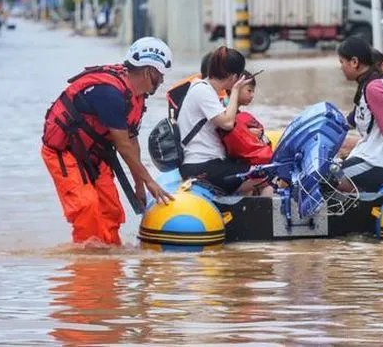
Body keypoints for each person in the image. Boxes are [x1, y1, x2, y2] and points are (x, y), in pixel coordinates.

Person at [41, 37, 175, 245]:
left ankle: (110, 267)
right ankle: (88, 269)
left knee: (110, 209)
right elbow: (122, 146)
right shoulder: (110, 94)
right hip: (64, 152)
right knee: (87, 207)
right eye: (160, 75)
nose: (162, 81)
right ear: (149, 71)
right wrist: (150, 181)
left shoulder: (136, 96)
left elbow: (132, 141)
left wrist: (139, 185)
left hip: (95, 153)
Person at [177, 45, 263, 195]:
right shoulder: (202, 90)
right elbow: (228, 123)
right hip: (201, 165)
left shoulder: (207, 90)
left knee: (255, 169)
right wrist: (235, 90)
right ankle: (241, 208)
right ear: (235, 77)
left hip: (211, 163)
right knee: (264, 174)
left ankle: (232, 201)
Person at [336, 37, 383, 193]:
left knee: (326, 178)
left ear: (354, 62)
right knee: (333, 166)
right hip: (377, 158)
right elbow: (350, 121)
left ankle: (364, 204)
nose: (341, 68)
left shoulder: (374, 88)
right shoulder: (367, 85)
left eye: (342, 62)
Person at [219, 70, 274, 166]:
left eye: (253, 91)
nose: (252, 95)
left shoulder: (234, 111)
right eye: (249, 91)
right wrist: (247, 133)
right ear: (234, 87)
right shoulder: (223, 110)